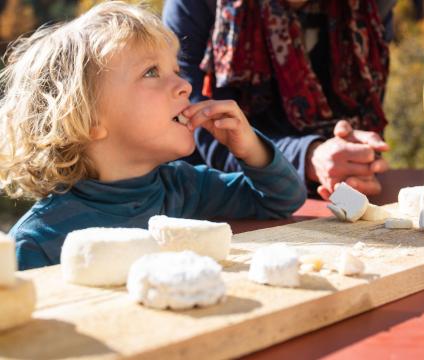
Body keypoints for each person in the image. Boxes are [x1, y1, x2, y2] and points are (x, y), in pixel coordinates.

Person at [0, 1, 307, 270]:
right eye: (151, 72)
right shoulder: (35, 244)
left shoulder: (184, 187)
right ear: (86, 117)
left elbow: (280, 201)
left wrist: (251, 148)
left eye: (176, 70)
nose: (185, 85)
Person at [163, 0, 397, 200]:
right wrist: (307, 157)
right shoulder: (196, 5)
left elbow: (366, 104)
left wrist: (357, 154)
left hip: (335, 199)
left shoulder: (370, 6)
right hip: (216, 197)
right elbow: (197, 123)